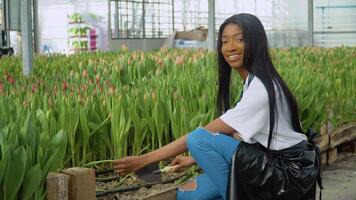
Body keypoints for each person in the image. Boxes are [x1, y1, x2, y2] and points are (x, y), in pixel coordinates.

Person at [113, 13, 321, 200]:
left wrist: (144, 160)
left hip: (286, 174)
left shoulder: (261, 89)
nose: (230, 47)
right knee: (189, 195)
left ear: (256, 43)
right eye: (224, 41)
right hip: (269, 161)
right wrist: (193, 159)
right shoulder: (253, 82)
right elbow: (245, 137)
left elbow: (202, 136)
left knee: (197, 138)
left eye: (240, 39)